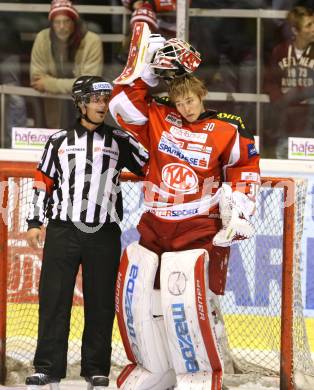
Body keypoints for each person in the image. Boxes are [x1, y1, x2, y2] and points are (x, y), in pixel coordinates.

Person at [109, 36, 260, 389]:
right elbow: (119, 105)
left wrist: (240, 209)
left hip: (197, 227)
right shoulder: (160, 116)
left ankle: (198, 375)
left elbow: (245, 169)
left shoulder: (228, 126)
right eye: (178, 101)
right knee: (140, 299)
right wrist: (144, 72)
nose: (185, 108)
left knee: (187, 304)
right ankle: (152, 369)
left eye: (189, 100)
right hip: (156, 224)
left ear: (201, 94)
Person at [25, 75, 148, 389]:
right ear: (80, 103)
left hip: (103, 232)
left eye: (105, 100)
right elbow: (43, 182)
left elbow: (148, 164)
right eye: (95, 99)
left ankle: (96, 368)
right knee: (54, 300)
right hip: (63, 231)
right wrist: (35, 222)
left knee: (101, 302)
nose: (102, 105)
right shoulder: (58, 141)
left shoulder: (119, 139)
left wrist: (133, 125)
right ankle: (47, 368)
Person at [30, 0, 103, 129]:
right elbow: (36, 79)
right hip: (54, 108)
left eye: (66, 21)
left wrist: (49, 84)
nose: (62, 26)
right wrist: (74, 84)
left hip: (85, 107)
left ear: (74, 22)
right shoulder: (42, 38)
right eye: (57, 22)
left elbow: (89, 84)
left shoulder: (92, 41)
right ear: (52, 24)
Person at [264, 6, 314, 158]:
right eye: (309, 25)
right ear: (295, 30)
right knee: (284, 163)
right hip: (285, 120)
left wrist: (298, 94)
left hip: (310, 120)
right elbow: (269, 82)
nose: (313, 29)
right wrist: (280, 101)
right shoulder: (279, 51)